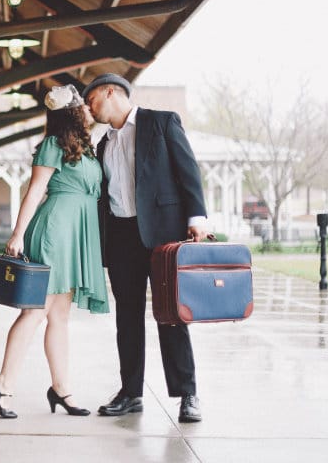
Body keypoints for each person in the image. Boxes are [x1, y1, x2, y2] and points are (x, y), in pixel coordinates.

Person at [82, 73, 208, 423]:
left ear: (110, 92)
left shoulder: (161, 122)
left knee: (171, 315)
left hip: (163, 236)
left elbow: (188, 171)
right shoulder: (103, 144)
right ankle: (131, 393)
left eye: (91, 100)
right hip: (122, 238)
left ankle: (188, 394)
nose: (89, 109)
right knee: (127, 318)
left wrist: (197, 216)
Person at [0, 84, 109, 419]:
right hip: (54, 232)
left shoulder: (83, 147)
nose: (88, 109)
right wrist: (18, 234)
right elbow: (35, 189)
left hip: (75, 235)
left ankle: (61, 389)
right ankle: (4, 382)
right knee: (35, 312)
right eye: (82, 105)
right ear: (72, 112)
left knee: (59, 317)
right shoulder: (53, 145)